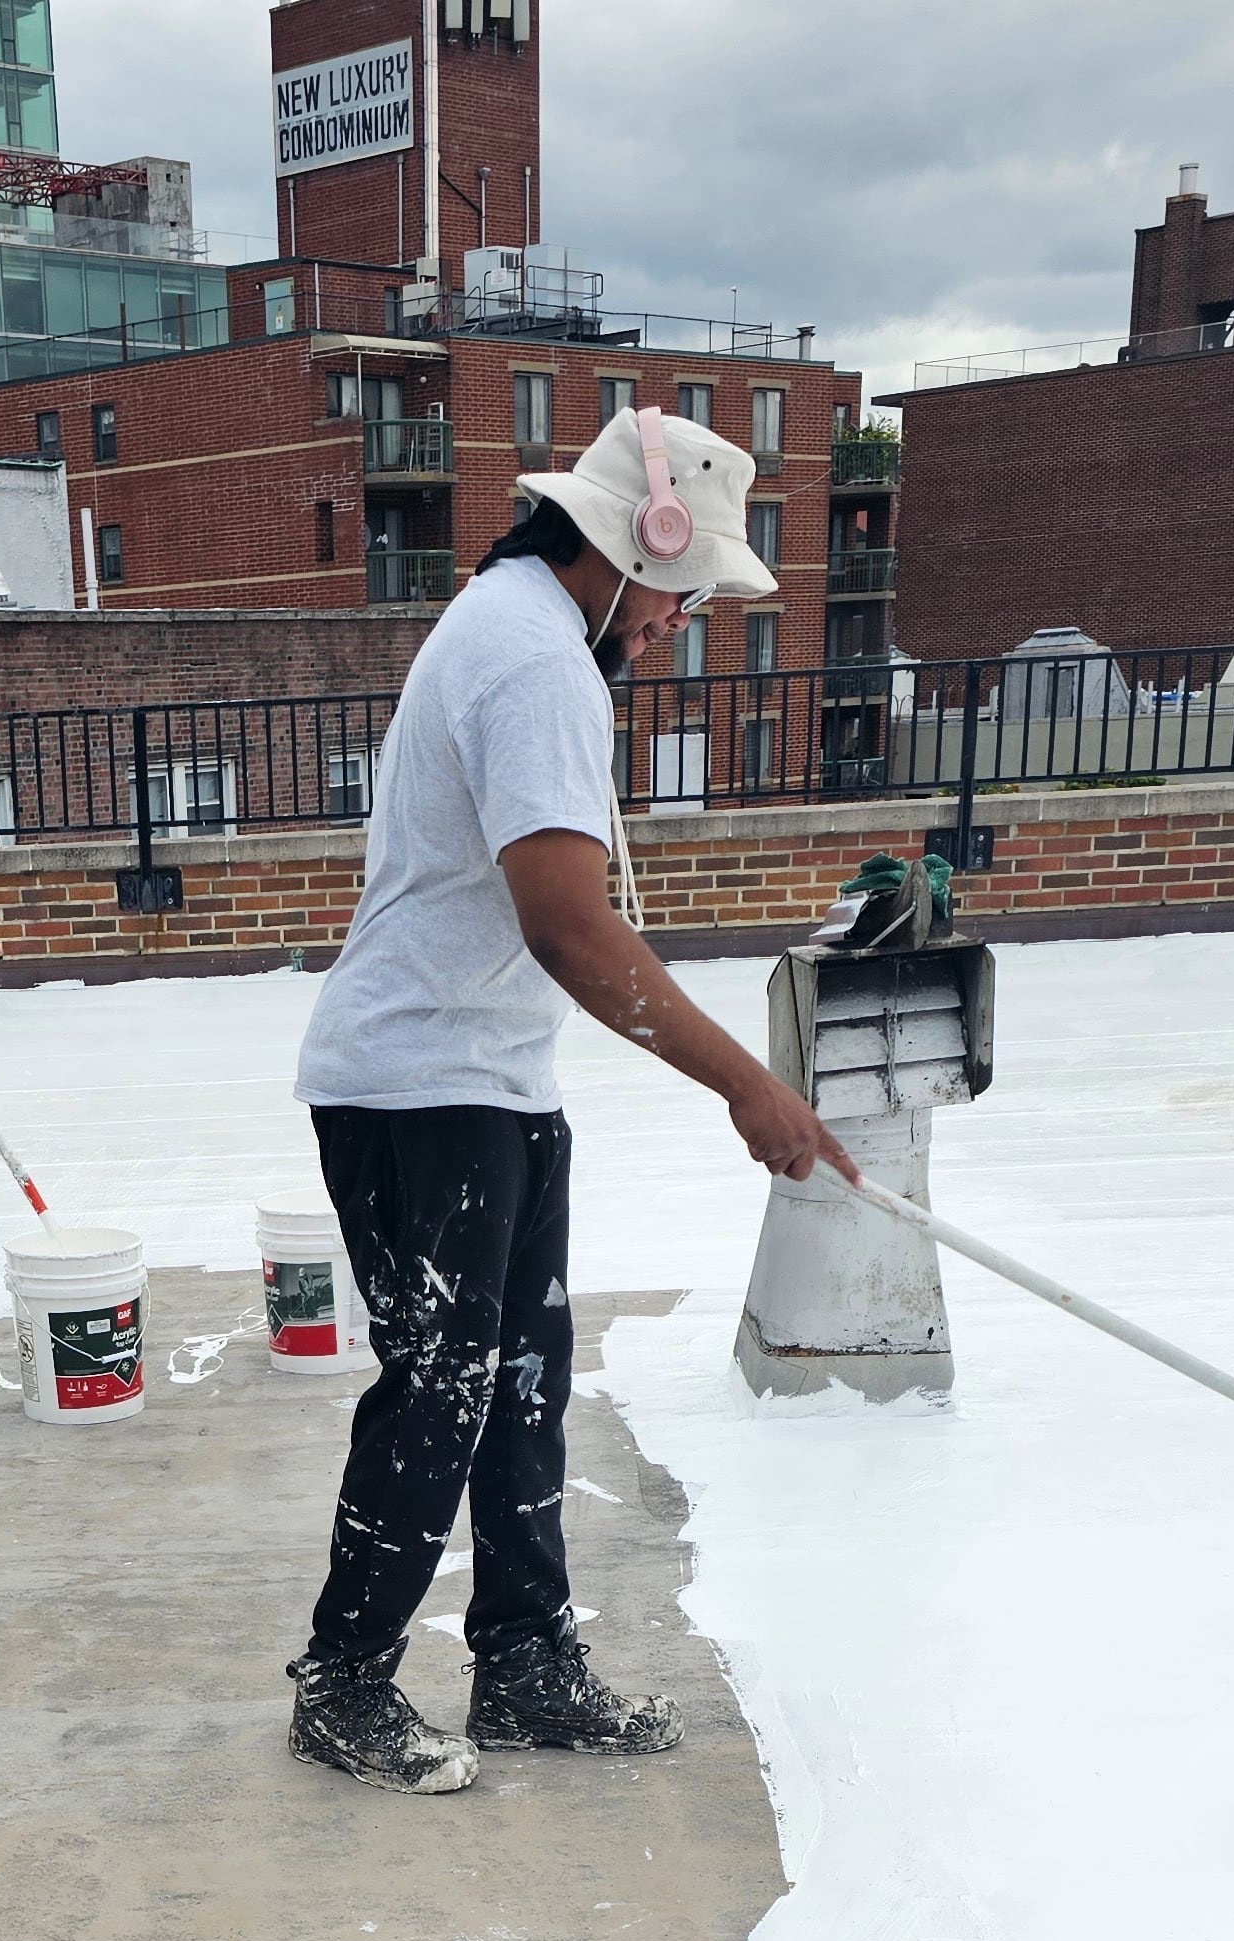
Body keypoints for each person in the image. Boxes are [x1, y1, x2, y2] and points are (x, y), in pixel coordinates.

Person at [283, 413, 861, 1794]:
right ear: (628, 544)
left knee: (520, 1388)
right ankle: (345, 1682)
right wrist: (750, 1088)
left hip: (489, 1079)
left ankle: (527, 1662)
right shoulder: (536, 659)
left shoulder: (523, 629)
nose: (681, 622)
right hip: (420, 1088)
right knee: (441, 1394)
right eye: (682, 591)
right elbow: (568, 927)